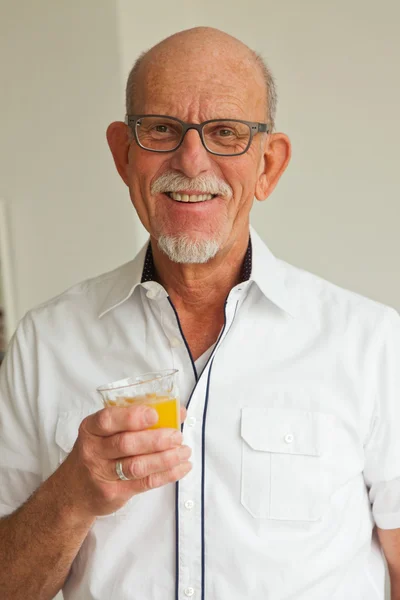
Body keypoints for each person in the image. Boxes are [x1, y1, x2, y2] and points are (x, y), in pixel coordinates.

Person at [0, 26, 399, 600]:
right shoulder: (45, 342)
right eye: (161, 129)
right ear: (123, 154)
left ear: (268, 165)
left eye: (226, 133)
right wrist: (71, 497)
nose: (192, 161)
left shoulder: (372, 343)